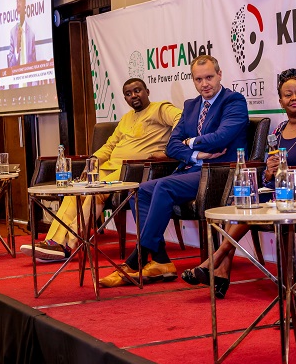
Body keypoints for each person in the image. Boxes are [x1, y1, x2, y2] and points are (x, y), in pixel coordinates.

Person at [181, 68, 296, 299]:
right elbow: (268, 173)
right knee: (244, 202)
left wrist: (287, 172)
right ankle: (222, 271)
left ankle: (215, 260)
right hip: (278, 193)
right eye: (288, 95)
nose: (294, 98)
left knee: (258, 205)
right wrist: (269, 172)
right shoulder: (278, 131)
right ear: (281, 101)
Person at [100, 55, 248, 287]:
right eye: (198, 79)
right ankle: (161, 260)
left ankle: (137, 257)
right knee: (141, 191)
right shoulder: (190, 106)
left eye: (209, 77)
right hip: (191, 168)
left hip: (218, 173)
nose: (204, 84)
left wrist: (190, 142)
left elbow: (222, 137)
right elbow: (172, 145)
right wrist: (195, 154)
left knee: (163, 186)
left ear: (220, 75)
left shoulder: (234, 101)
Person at [19, 78, 181, 261]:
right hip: (108, 168)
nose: (133, 96)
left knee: (95, 193)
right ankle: (53, 242)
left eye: (137, 91)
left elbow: (180, 118)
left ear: (147, 91)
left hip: (132, 170)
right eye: (128, 94)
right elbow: (110, 145)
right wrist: (93, 160)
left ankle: (69, 244)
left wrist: (170, 148)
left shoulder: (160, 109)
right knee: (75, 191)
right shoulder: (127, 118)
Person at [7, 0, 36, 69]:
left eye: (20, 0)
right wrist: (17, 48)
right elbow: (10, 66)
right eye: (17, 0)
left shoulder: (31, 34)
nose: (18, 4)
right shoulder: (12, 33)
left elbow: (35, 65)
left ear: (25, 3)